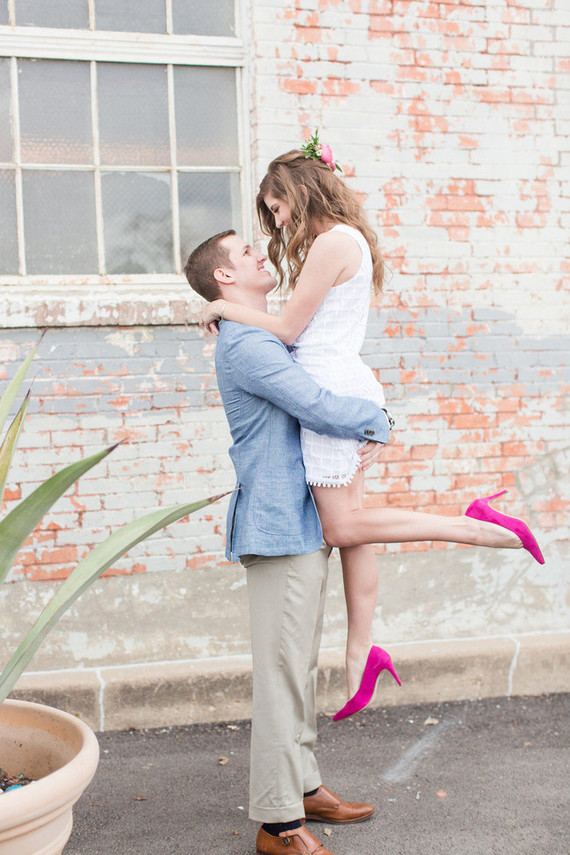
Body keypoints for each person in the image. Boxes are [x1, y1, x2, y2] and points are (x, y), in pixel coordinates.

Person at [199, 138, 545, 722]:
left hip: (330, 390)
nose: (276, 224)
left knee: (341, 526)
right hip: (342, 384)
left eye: (277, 209)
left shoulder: (332, 242)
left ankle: (473, 526)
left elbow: (288, 330)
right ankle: (362, 653)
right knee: (354, 529)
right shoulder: (344, 240)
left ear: (299, 192)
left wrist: (222, 307)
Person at [184, 229, 394, 855]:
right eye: (245, 252)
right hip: (277, 526)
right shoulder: (248, 343)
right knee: (281, 676)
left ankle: (303, 786)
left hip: (300, 521)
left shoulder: (262, 332)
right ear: (225, 277)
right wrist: (381, 420)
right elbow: (316, 405)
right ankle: (277, 824)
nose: (261, 253)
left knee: (296, 667)